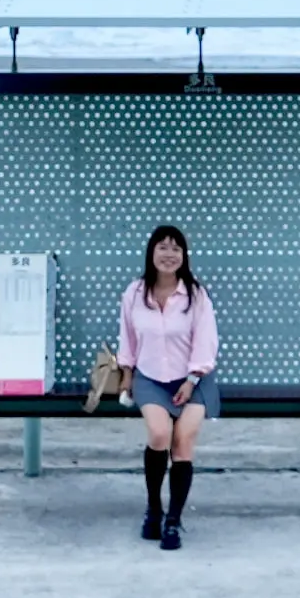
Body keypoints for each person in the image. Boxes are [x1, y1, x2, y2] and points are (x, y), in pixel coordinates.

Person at [119, 224, 217, 550]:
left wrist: (191, 381)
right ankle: (154, 510)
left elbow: (206, 342)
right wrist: (127, 377)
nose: (169, 254)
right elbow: (128, 339)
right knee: (159, 435)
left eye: (176, 248)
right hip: (150, 378)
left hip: (193, 379)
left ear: (184, 255)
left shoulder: (196, 294)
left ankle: (173, 522)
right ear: (151, 252)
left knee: (182, 442)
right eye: (163, 247)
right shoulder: (134, 293)